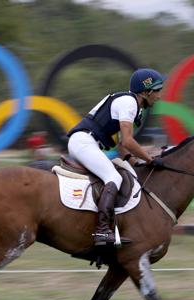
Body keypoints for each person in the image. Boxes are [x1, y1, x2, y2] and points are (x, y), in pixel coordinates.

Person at [66, 68, 165, 247]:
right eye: (157, 90)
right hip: (84, 142)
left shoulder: (132, 104)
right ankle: (102, 231)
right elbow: (128, 140)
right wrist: (150, 159)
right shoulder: (129, 103)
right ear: (145, 91)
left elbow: (121, 146)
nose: (159, 96)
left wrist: (136, 163)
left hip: (86, 142)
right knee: (113, 177)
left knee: (119, 172)